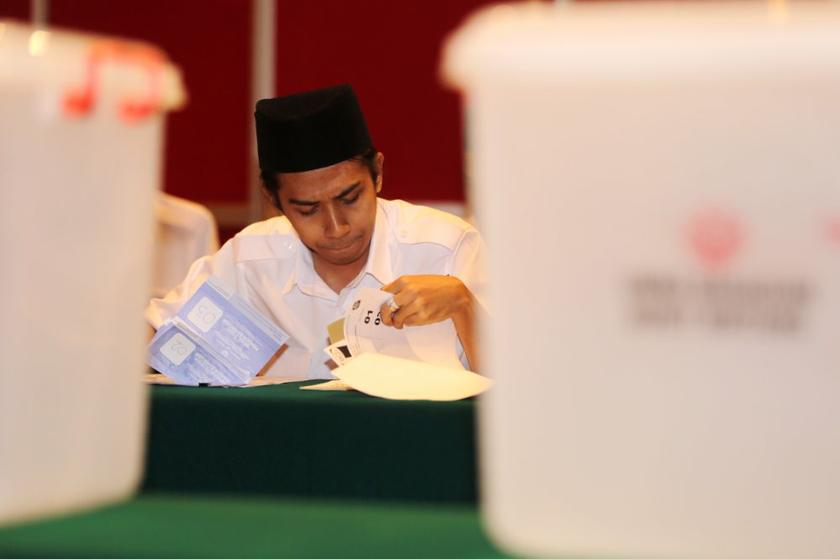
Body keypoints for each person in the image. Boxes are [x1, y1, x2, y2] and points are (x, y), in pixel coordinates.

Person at [145, 84, 486, 379]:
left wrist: (464, 306)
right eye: (307, 209)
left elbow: (514, 387)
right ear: (273, 200)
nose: (336, 228)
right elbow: (153, 338)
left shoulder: (446, 247)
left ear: (378, 174)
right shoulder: (248, 261)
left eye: (350, 198)